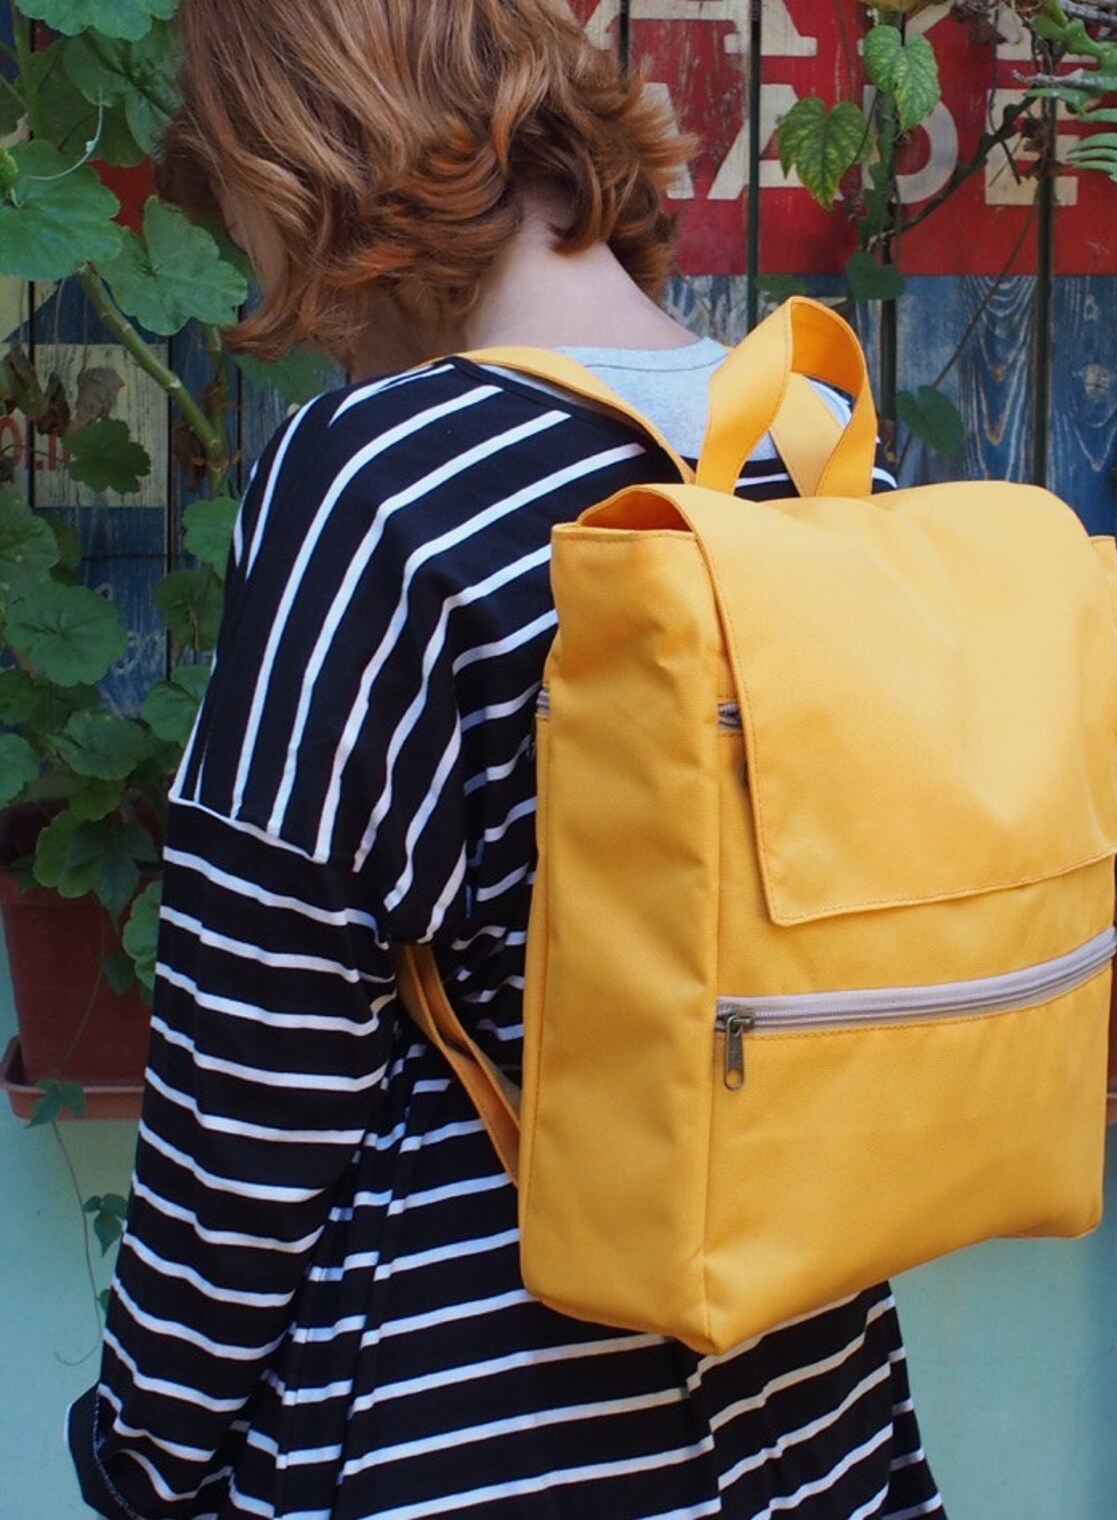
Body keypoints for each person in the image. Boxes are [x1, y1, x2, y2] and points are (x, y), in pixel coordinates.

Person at [67, 3, 945, 1516]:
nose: (266, 286)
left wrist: (142, 1451)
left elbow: (255, 1083)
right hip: (823, 1420)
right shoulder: (814, 440)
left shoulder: (381, 483)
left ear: (301, 153)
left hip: (469, 1432)